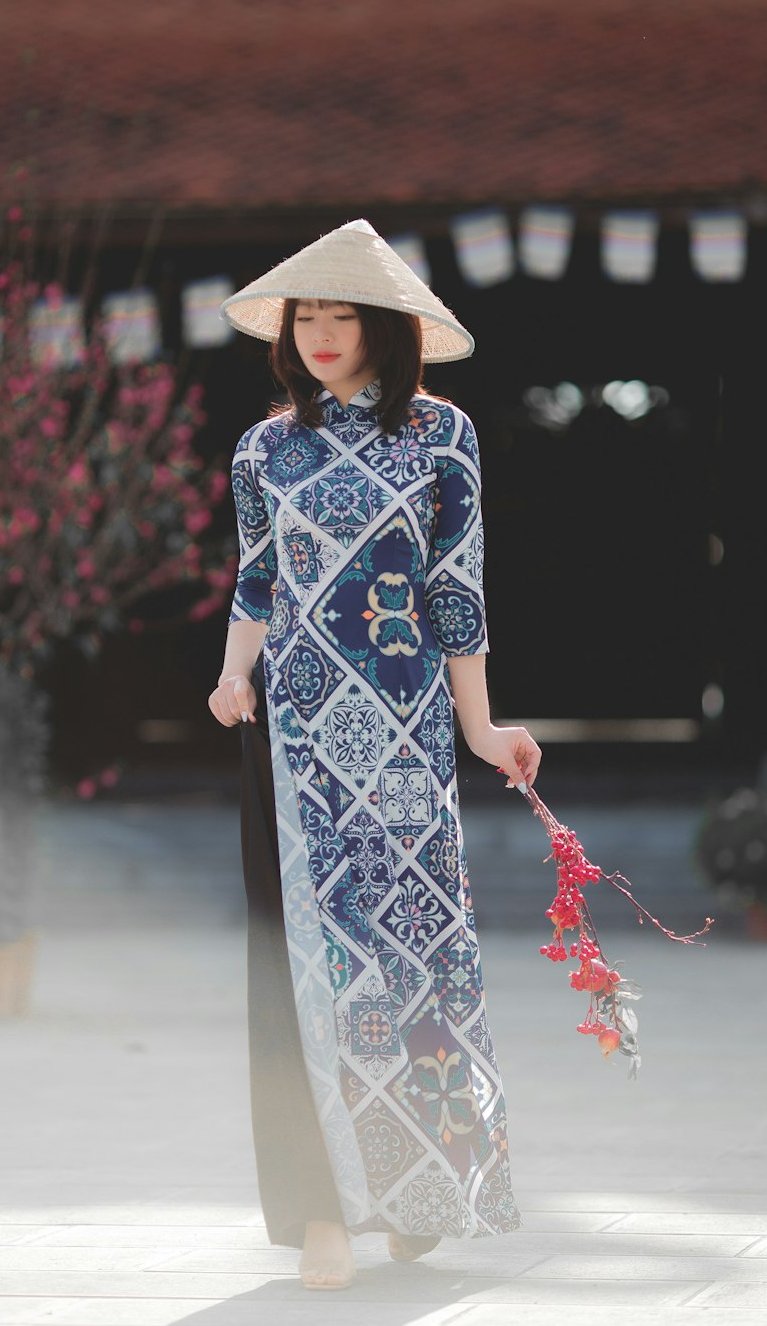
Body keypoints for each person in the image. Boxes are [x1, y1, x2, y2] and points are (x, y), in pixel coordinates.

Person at [208, 219, 541, 1290]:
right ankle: (323, 1212)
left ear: (383, 329)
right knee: (313, 972)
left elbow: (458, 588)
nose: (319, 334)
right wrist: (230, 674)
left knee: (416, 965)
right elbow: (257, 581)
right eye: (306, 316)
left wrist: (480, 725)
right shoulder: (263, 450)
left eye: (340, 315)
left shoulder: (443, 436)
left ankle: (420, 1187)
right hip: (298, 740)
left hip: (407, 747)